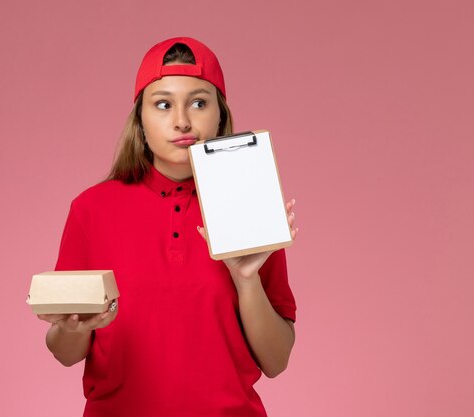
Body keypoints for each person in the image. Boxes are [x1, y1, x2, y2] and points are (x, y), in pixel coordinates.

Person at [37, 36, 298, 417]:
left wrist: (246, 280)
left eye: (199, 102)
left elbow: (276, 361)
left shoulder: (250, 205)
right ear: (139, 120)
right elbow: (65, 353)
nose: (182, 121)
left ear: (220, 115)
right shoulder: (91, 209)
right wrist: (75, 328)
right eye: (162, 104)